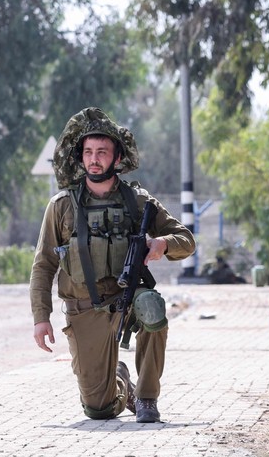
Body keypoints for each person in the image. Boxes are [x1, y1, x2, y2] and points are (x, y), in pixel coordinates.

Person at [30, 107, 196, 423]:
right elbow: (43, 265)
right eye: (88, 152)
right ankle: (122, 384)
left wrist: (162, 245)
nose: (94, 159)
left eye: (102, 152)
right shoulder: (62, 206)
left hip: (130, 299)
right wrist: (41, 318)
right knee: (98, 409)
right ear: (80, 158)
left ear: (117, 158)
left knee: (151, 305)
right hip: (84, 309)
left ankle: (147, 398)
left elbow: (185, 239)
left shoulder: (138, 202)